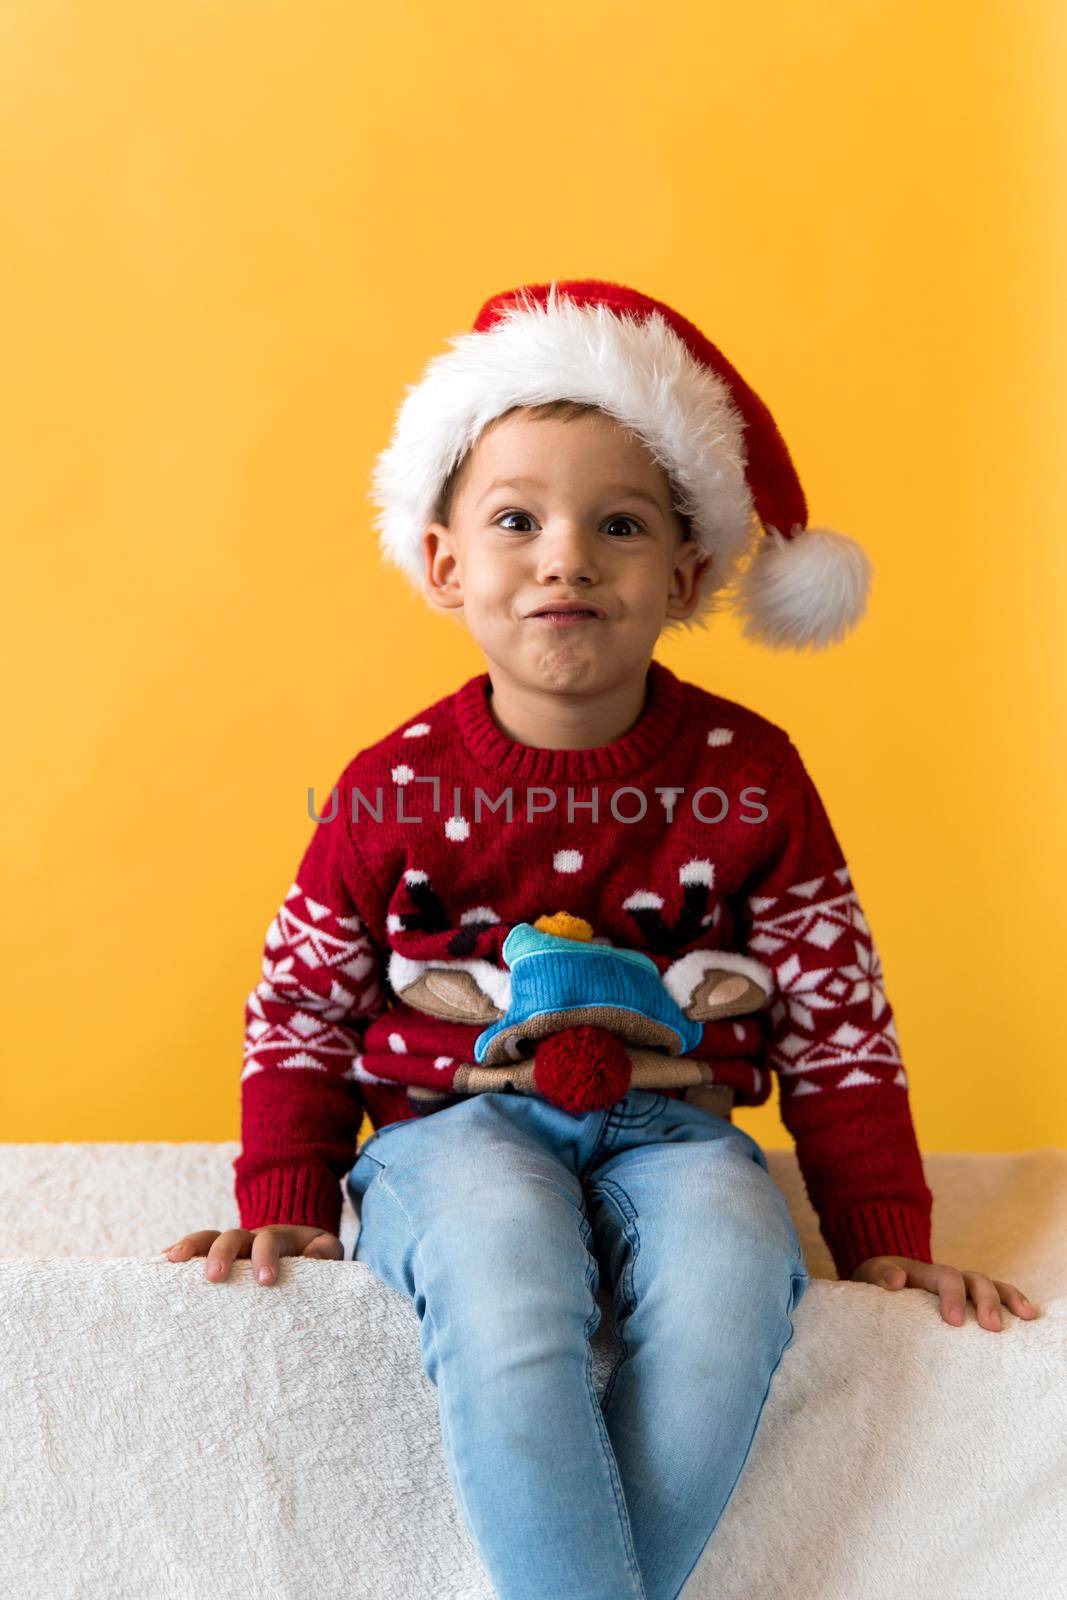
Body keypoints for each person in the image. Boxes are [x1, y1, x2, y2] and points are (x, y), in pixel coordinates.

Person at [162, 279, 1039, 1600]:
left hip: (677, 1128)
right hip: (446, 1127)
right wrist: (286, 1188)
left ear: (688, 573)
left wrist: (878, 1221)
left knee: (735, 1281)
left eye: (618, 524)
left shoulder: (753, 773)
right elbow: (303, 1001)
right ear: (444, 560)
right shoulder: (390, 784)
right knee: (507, 1280)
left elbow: (831, 1009)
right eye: (517, 519)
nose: (565, 555)